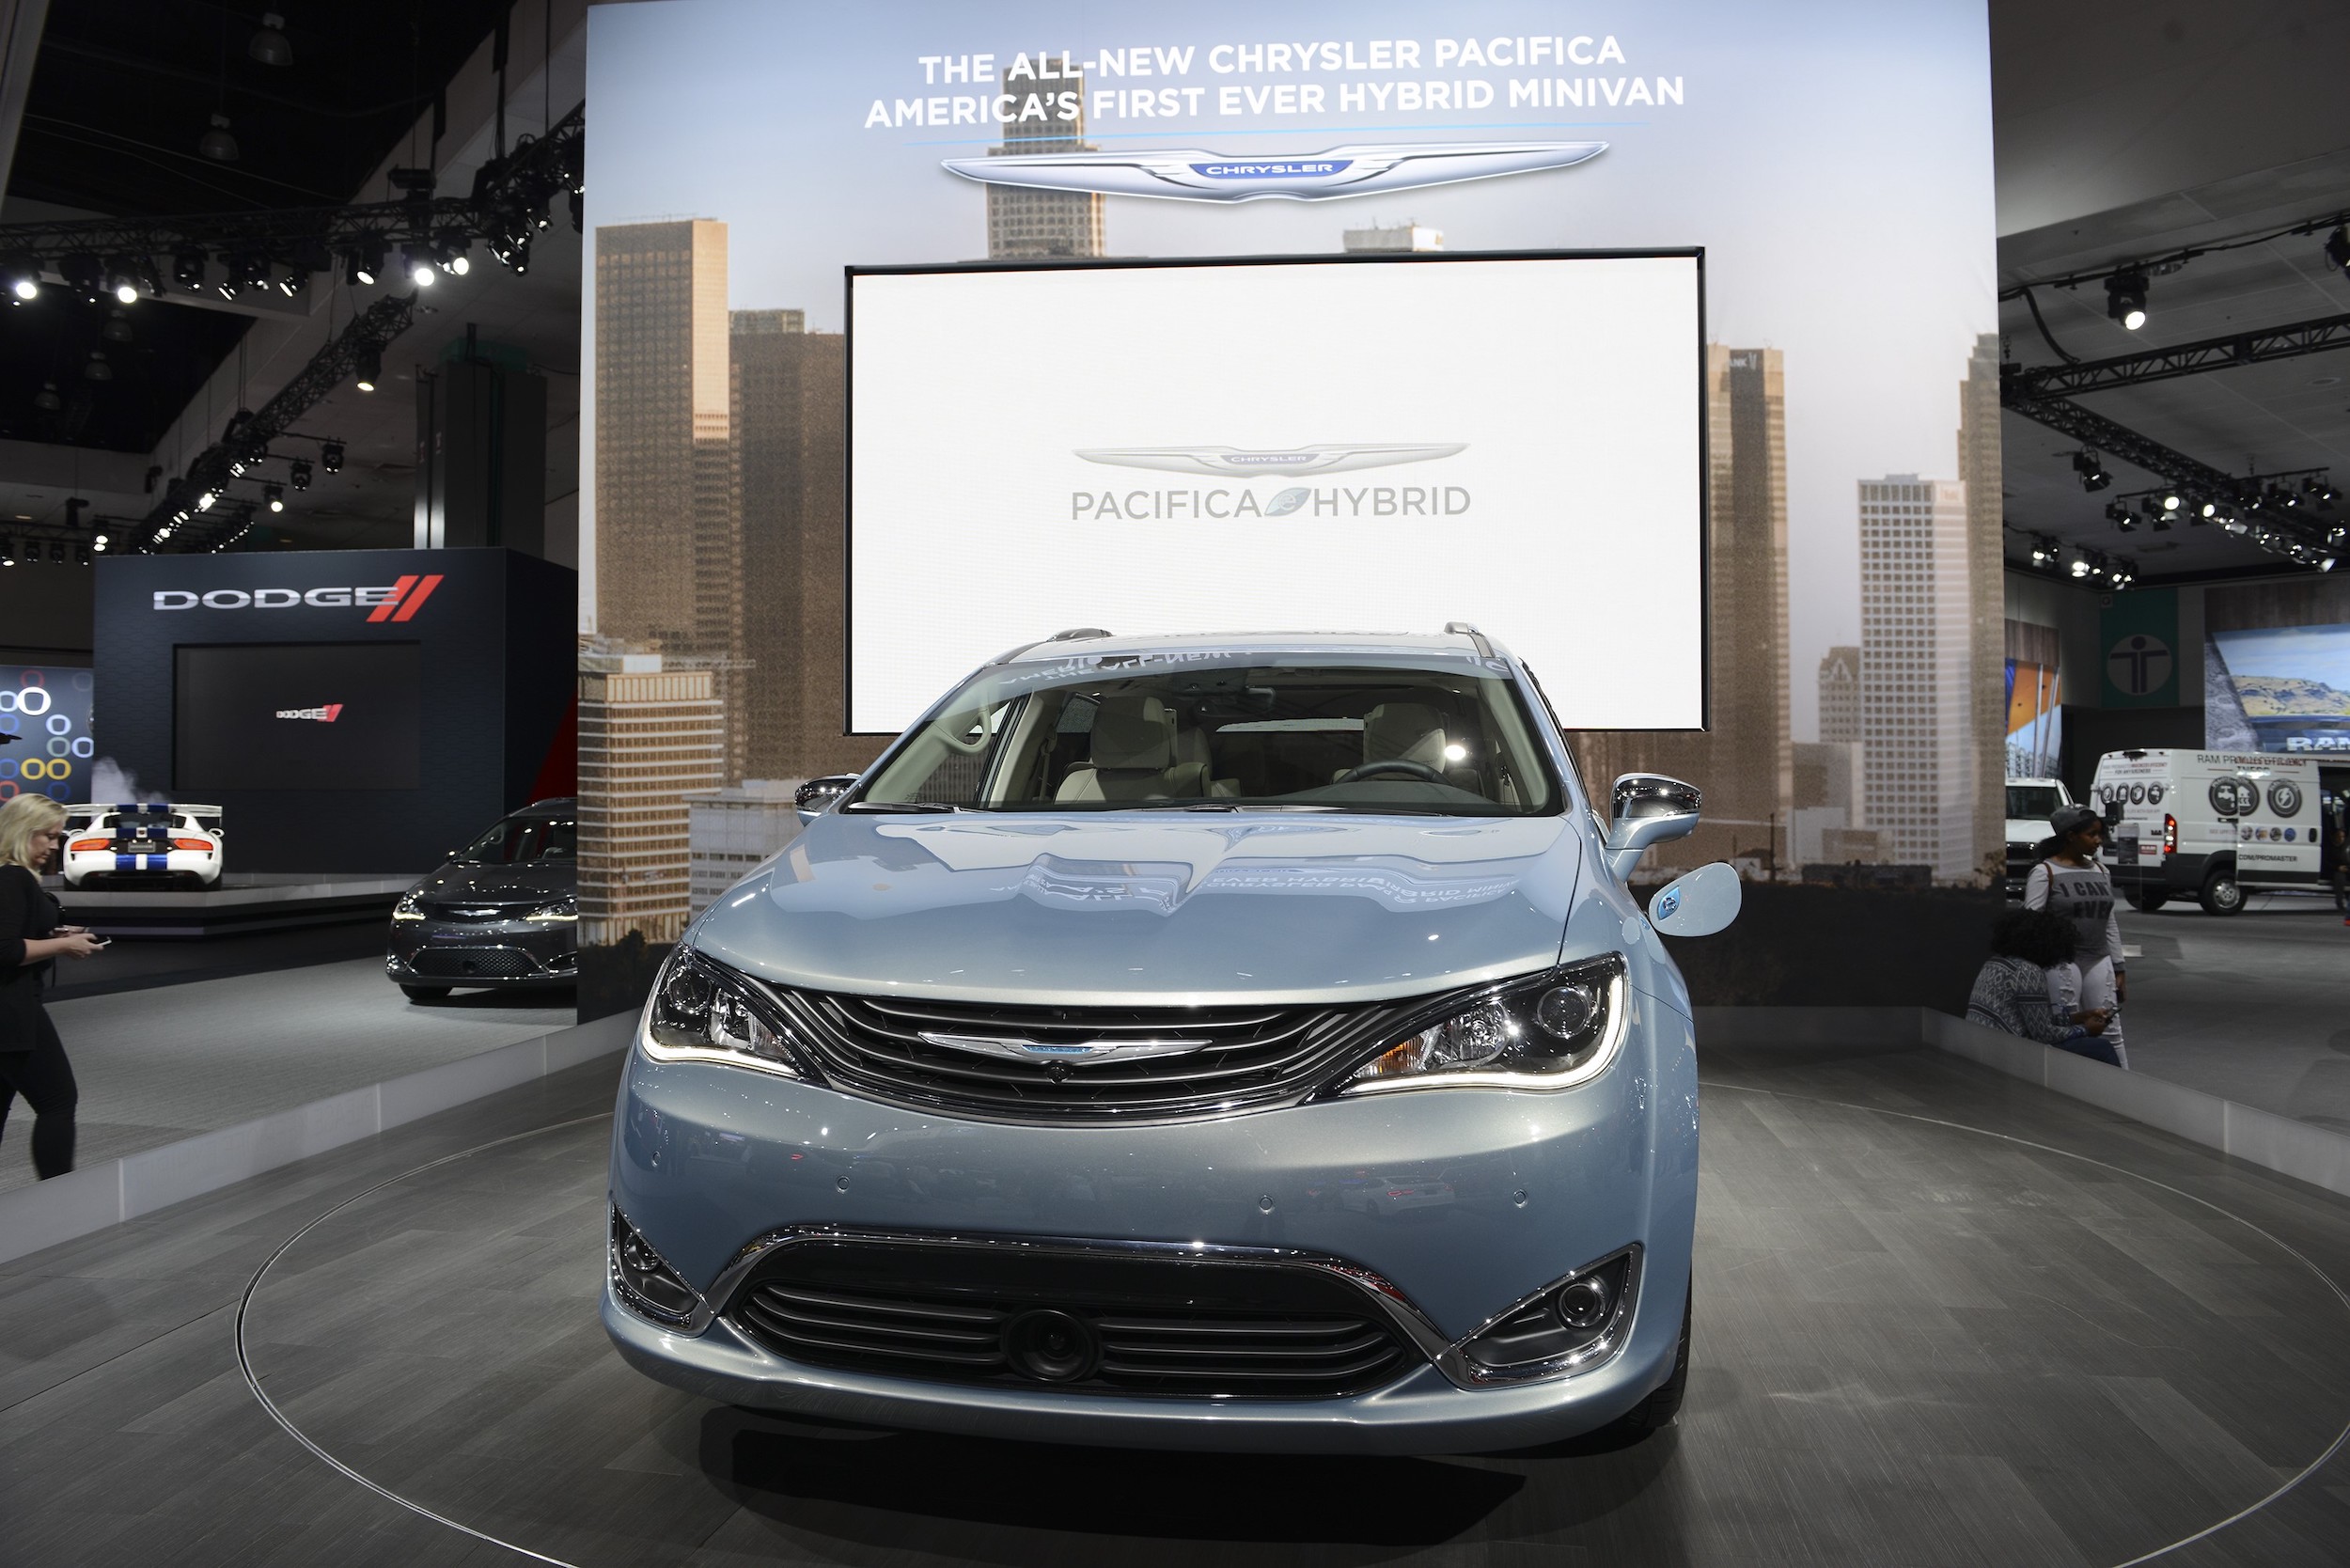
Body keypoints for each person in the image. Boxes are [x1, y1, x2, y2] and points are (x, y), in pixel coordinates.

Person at [0, 794, 103, 1179]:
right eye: (48, 836)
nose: (54, 846)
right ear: (22, 831)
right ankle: (60, 1199)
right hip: (13, 1010)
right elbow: (6, 949)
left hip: (12, 1008)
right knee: (58, 1101)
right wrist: (63, 944)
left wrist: (52, 935)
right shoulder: (12, 878)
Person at [2023, 802, 2129, 1068]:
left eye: (2100, 835)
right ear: (2071, 836)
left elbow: (2109, 921)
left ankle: (2125, 1087)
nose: (2098, 841)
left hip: (2098, 957)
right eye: (2092, 835)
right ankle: (2069, 1085)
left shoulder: (2101, 871)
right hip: (2061, 960)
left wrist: (2119, 966)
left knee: (2111, 1029)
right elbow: (2029, 923)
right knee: (2067, 1027)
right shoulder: (2045, 872)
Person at [1966, 906, 2118, 1065]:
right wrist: (2086, 1030)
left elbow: (2035, 1020)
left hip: (1982, 1044)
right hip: (2006, 1052)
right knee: (2103, 1048)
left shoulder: (1996, 963)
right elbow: (2044, 1034)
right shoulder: (2027, 972)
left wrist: (2079, 1018)